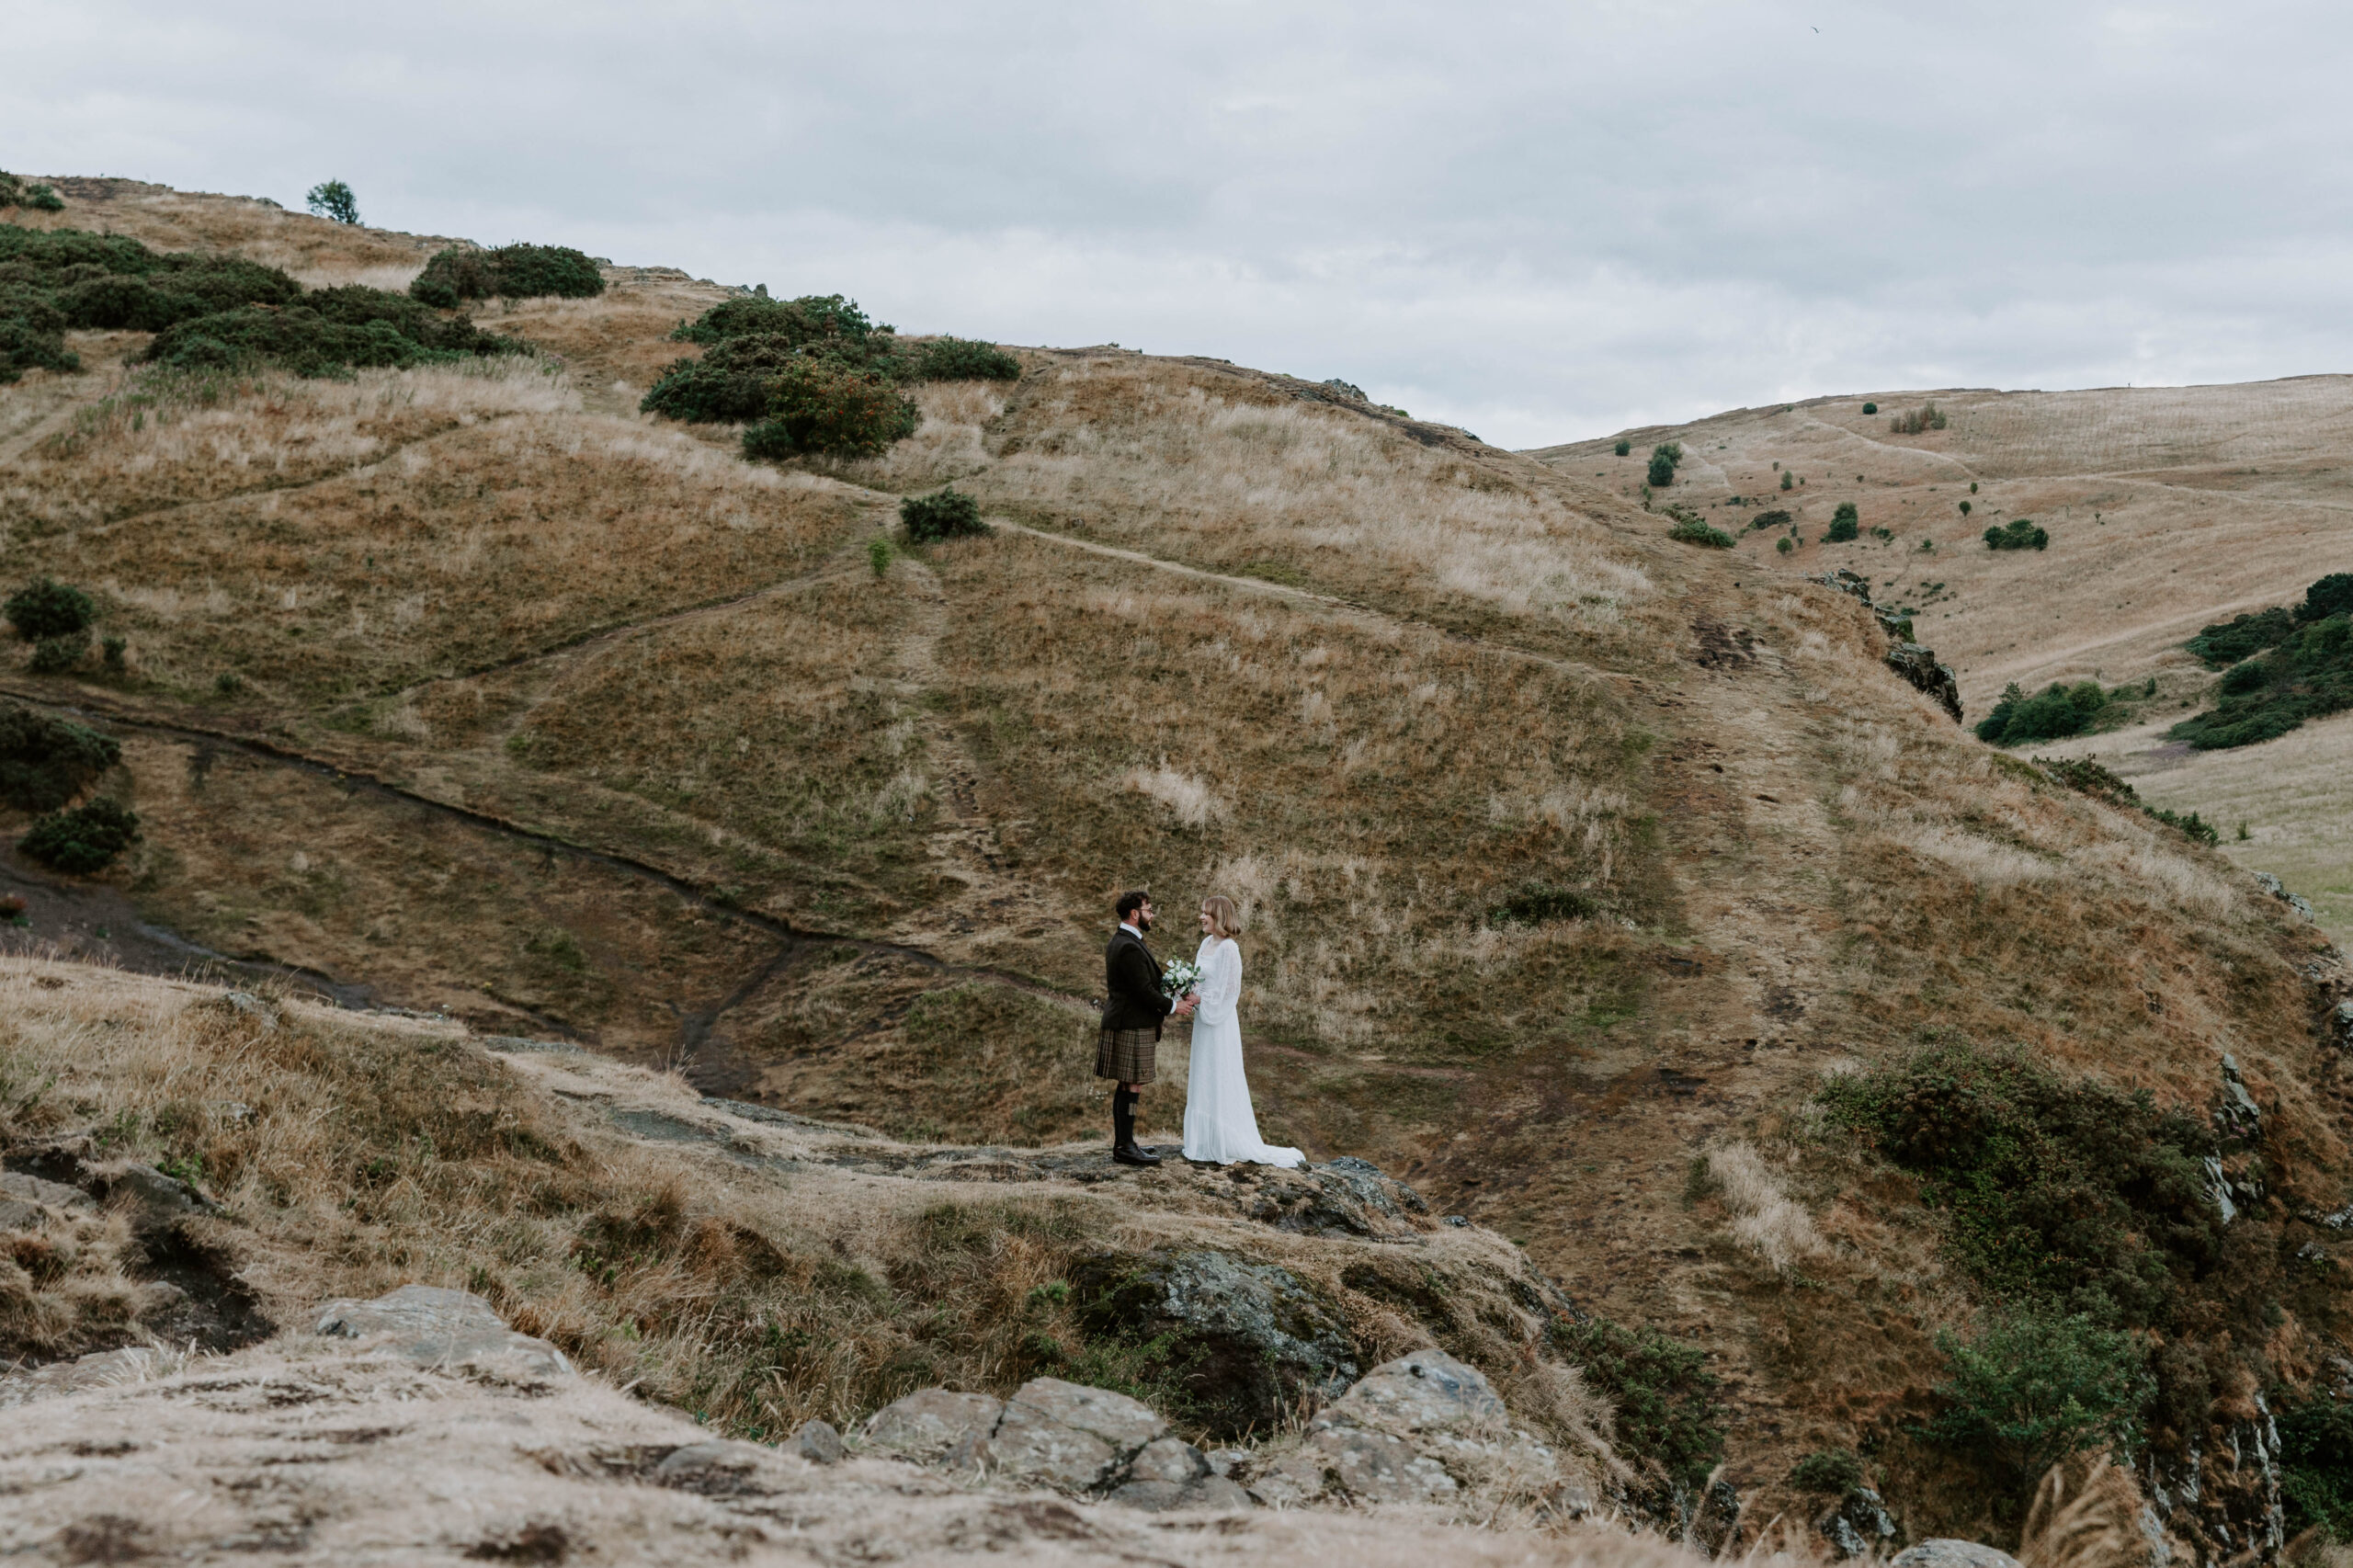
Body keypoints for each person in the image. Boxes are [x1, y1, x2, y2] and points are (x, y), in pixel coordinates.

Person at [1180, 895, 1303, 1168]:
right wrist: (1188, 992)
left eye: (1206, 913)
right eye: (1201, 912)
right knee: (1204, 1072)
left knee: (1221, 1071)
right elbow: (1200, 980)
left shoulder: (1229, 949)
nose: (1201, 917)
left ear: (1219, 917)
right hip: (1204, 1022)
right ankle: (1203, 1141)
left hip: (1220, 1021)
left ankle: (1225, 1139)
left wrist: (1203, 1000)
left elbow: (1230, 990)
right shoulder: (1204, 944)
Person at [1098, 890, 1193, 1166]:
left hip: (1129, 1021)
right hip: (1131, 1023)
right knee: (1132, 1084)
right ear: (1135, 914)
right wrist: (1174, 1007)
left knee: (1129, 1084)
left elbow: (1146, 984)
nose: (1152, 915)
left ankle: (1125, 1144)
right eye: (1149, 910)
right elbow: (1143, 991)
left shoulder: (1126, 941)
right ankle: (1125, 1146)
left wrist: (1175, 992)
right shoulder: (1128, 945)